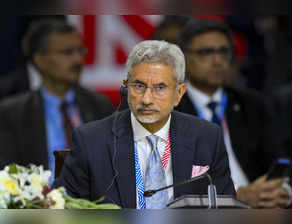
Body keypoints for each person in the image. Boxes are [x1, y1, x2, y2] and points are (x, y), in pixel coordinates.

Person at [53, 40, 236, 209]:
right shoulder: (91, 140)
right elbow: (62, 208)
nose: (147, 99)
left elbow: (225, 209)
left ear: (179, 93)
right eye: (139, 86)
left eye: (160, 88)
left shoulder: (207, 137)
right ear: (125, 87)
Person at [175, 18, 292, 208]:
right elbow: (175, 179)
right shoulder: (172, 108)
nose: (217, 61)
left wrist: (283, 192)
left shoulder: (251, 104)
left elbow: (280, 160)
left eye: (224, 51)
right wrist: (236, 195)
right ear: (183, 58)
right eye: (206, 52)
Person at [0, 19, 114, 182]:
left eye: (80, 51)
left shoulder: (100, 106)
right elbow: (7, 175)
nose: (78, 60)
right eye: (67, 52)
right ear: (40, 60)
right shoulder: (12, 114)